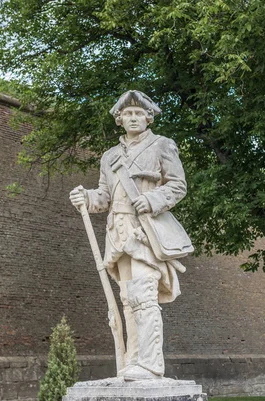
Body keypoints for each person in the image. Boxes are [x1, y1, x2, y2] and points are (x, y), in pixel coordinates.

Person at [69, 90, 192, 381]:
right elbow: (104, 197)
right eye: (128, 114)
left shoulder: (162, 145)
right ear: (119, 119)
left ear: (149, 117)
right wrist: (85, 197)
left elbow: (178, 186)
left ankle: (150, 364)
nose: (134, 118)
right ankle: (132, 361)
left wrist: (151, 200)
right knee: (126, 299)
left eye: (139, 113)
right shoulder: (109, 156)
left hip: (144, 231)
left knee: (143, 296)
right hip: (118, 232)